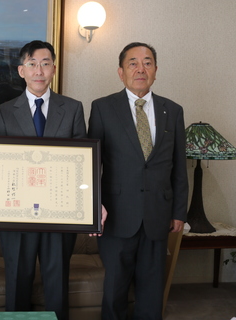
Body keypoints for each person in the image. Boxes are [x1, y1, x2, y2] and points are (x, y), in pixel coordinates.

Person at [87, 42, 188, 320]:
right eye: (133, 63)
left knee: (151, 290)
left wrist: (179, 211)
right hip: (116, 216)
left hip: (158, 214)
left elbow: (179, 166)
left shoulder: (173, 110)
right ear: (121, 72)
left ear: (156, 70)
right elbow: (93, 166)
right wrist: (93, 209)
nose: (140, 69)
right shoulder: (103, 108)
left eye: (147, 62)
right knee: (115, 290)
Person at [0, 40, 86, 320]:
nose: (39, 70)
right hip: (17, 215)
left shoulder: (72, 109)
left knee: (57, 286)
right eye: (32, 64)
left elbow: (83, 164)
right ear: (21, 70)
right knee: (17, 284)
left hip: (60, 213)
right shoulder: (5, 111)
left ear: (54, 69)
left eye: (45, 63)